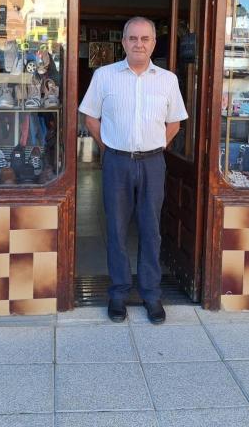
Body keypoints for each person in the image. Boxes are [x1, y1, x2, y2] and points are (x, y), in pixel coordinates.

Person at [79, 16, 188, 324]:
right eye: (132, 38)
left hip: (153, 162)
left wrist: (155, 148)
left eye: (145, 39)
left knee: (150, 230)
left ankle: (151, 295)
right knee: (115, 228)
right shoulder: (104, 76)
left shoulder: (167, 79)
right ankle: (118, 293)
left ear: (154, 42)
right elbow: (90, 118)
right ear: (124, 41)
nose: (138, 44)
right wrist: (109, 148)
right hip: (117, 162)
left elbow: (175, 123)